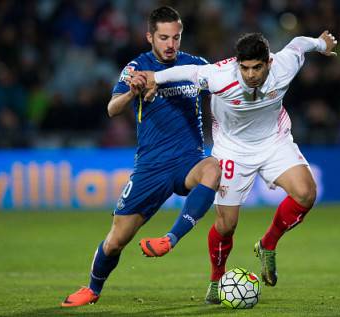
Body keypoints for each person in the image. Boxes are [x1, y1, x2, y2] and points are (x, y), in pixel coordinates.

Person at [138, 31, 337, 303]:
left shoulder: (284, 65)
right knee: (226, 224)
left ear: (268, 62)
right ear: (237, 65)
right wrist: (154, 77)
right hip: (232, 150)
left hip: (273, 141)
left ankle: (268, 244)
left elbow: (299, 44)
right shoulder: (221, 76)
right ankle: (216, 279)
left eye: (257, 67)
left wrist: (320, 44)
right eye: (244, 68)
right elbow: (190, 71)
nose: (251, 74)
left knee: (306, 193)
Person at [61, 6, 221, 307]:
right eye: (163, 37)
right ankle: (93, 288)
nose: (171, 44)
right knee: (116, 240)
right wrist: (132, 92)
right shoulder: (137, 67)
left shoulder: (196, 66)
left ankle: (170, 239)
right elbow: (112, 108)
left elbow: (224, 88)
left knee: (213, 168)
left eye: (176, 37)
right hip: (151, 168)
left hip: (189, 160)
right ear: (150, 36)